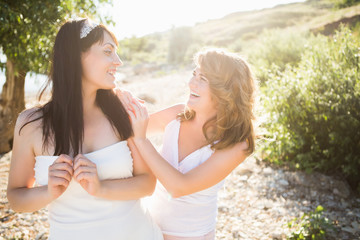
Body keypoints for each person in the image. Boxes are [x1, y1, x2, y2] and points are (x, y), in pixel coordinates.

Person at [7, 18, 163, 240]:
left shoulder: (121, 113)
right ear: (75, 57)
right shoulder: (30, 124)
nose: (118, 61)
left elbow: (147, 183)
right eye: (108, 51)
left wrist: (101, 188)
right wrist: (49, 191)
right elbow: (16, 198)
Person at [117, 48, 258, 240]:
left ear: (226, 90)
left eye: (203, 79)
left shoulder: (238, 144)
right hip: (148, 228)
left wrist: (141, 140)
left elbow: (179, 187)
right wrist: (116, 96)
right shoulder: (177, 115)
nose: (192, 83)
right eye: (194, 74)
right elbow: (124, 130)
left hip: (191, 236)